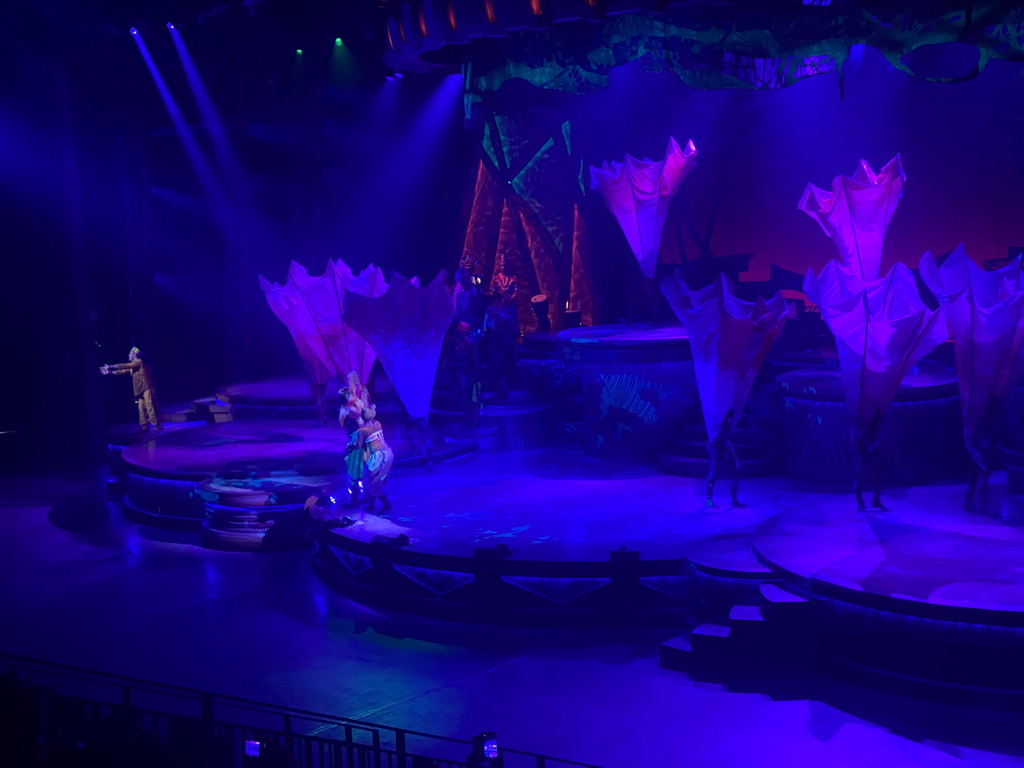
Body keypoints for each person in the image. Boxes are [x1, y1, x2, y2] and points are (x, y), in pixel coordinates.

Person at [100, 347, 161, 432]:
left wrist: (110, 366)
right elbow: (123, 371)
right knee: (141, 408)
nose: (128, 355)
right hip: (139, 389)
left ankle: (156, 425)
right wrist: (109, 372)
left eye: (130, 353)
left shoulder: (138, 362)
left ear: (134, 354)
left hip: (146, 387)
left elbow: (125, 365)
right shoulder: (133, 366)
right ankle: (145, 425)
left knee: (149, 406)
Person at [486, 252, 519, 400]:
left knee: (508, 354)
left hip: (510, 314)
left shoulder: (513, 278)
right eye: (501, 263)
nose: (503, 265)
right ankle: (501, 385)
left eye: (505, 263)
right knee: (497, 357)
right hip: (500, 316)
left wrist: (510, 298)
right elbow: (493, 294)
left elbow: (516, 294)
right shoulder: (496, 279)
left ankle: (508, 383)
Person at [349, 404, 394, 512]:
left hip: (377, 456)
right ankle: (374, 504)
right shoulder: (377, 423)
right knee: (377, 481)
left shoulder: (362, 430)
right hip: (388, 453)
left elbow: (358, 446)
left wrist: (352, 442)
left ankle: (383, 503)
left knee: (371, 481)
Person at [965, 396, 1000, 511]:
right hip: (980, 442)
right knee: (977, 473)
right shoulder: (980, 415)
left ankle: (976, 501)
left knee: (981, 473)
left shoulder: (987, 413)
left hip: (984, 442)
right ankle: (973, 501)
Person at [339, 371, 369, 505]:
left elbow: (350, 417)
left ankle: (356, 499)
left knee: (355, 471)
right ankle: (362, 497)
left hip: (358, 442)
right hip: (360, 441)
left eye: (352, 381)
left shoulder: (356, 404)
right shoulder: (359, 401)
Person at [706, 409, 741, 508]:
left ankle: (734, 500)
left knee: (736, 470)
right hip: (716, 446)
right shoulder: (719, 430)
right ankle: (709, 500)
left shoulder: (728, 428)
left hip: (724, 443)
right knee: (713, 474)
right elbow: (713, 445)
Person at [854, 408, 885, 511]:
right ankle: (861, 502)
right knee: (861, 475)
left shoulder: (875, 423)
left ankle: (874, 500)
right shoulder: (865, 421)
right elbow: (861, 437)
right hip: (863, 450)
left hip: (870, 450)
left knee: (877, 474)